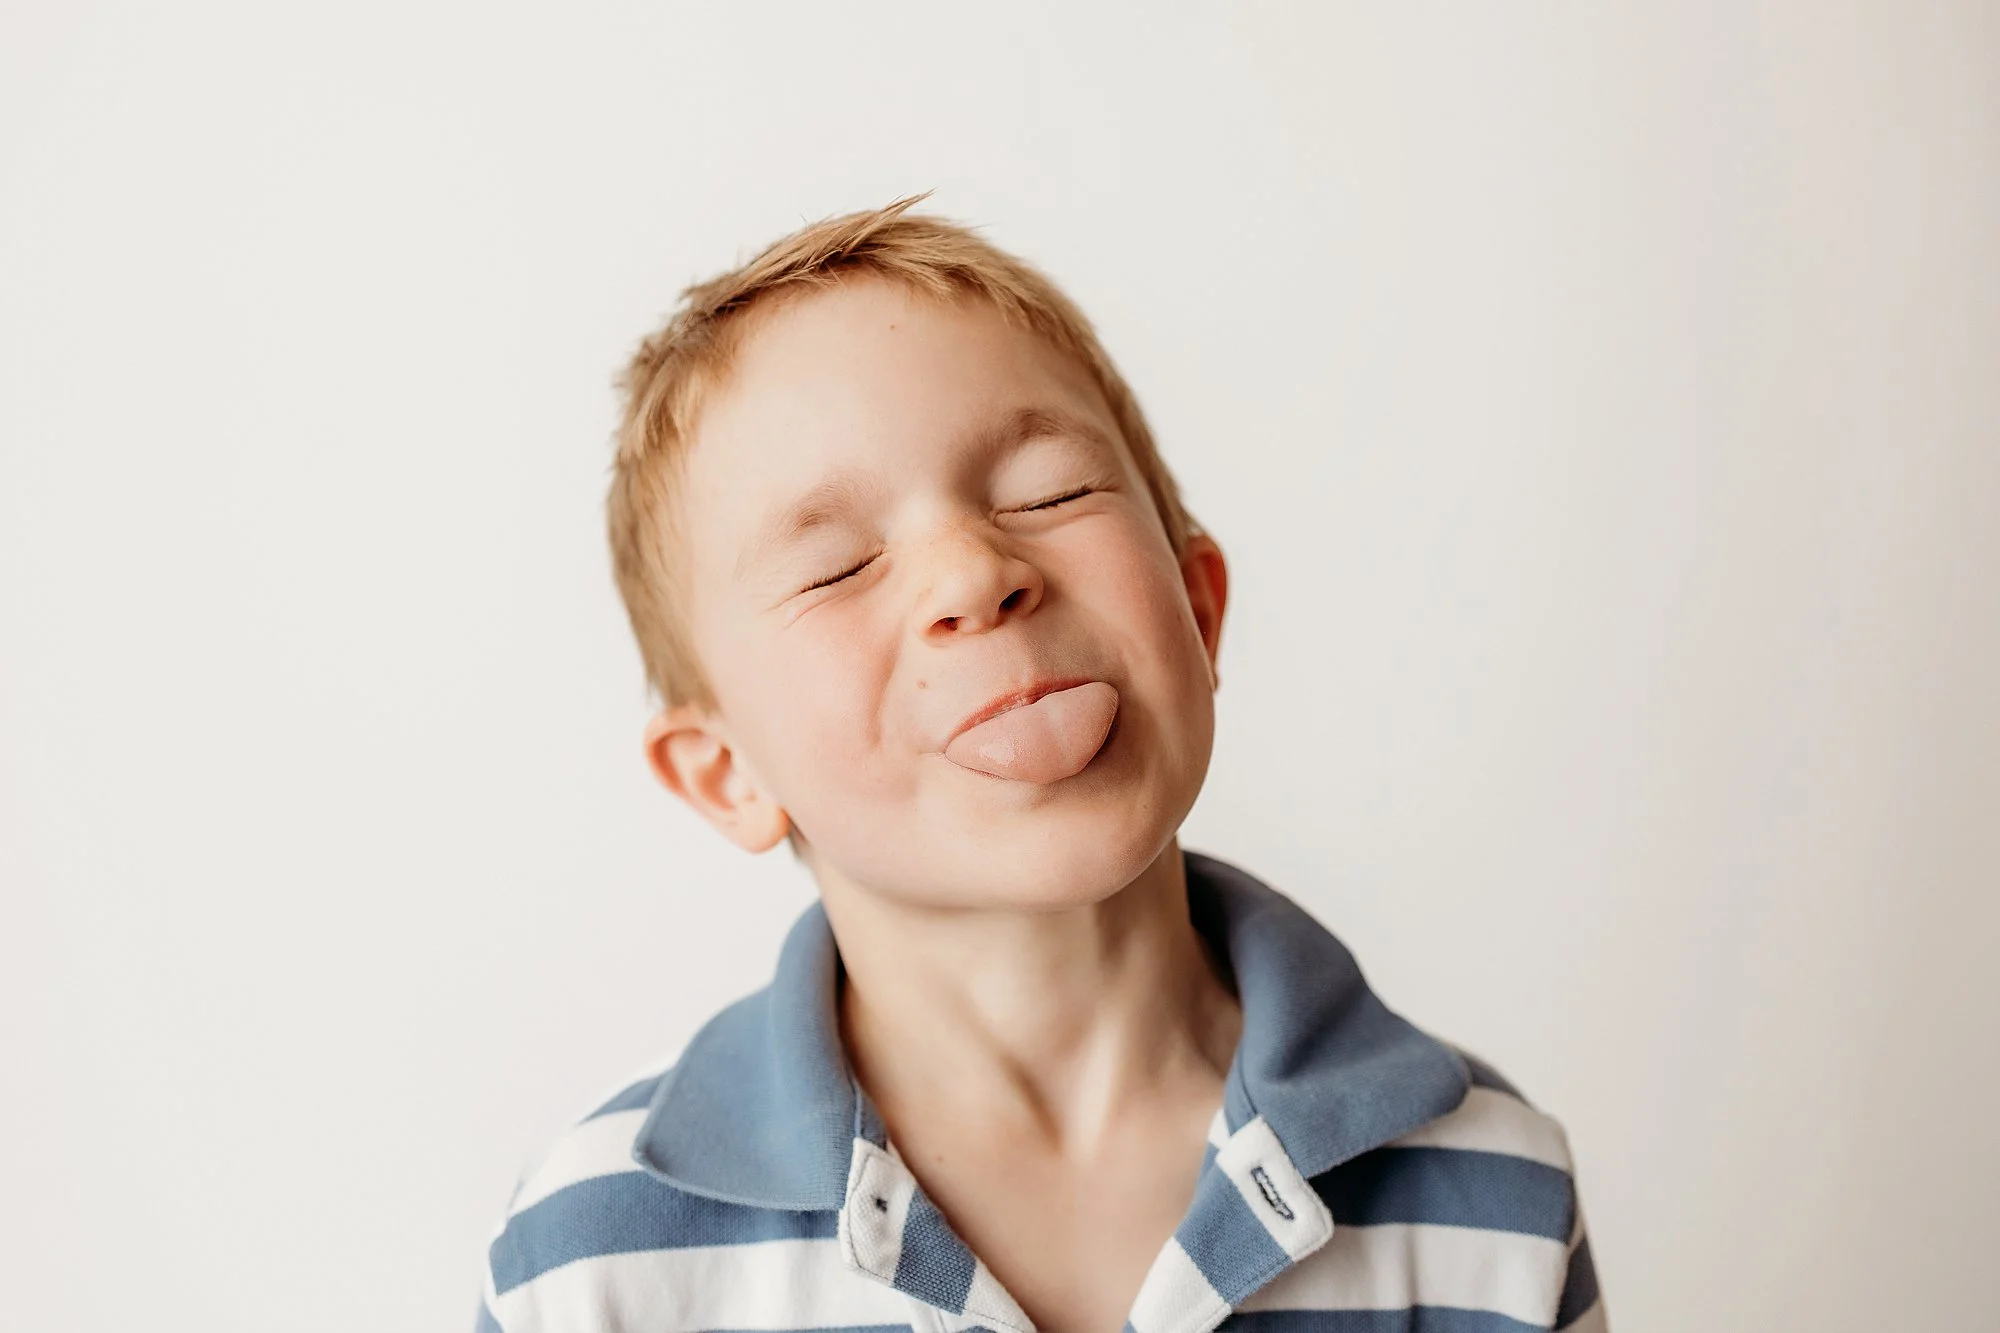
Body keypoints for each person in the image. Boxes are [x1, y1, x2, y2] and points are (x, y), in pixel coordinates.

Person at [472, 197, 1607, 1333]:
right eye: (836, 565)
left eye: (1047, 492)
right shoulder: (592, 1262)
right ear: (726, 774)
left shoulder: (1490, 1193)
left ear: (1196, 608)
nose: (974, 573)